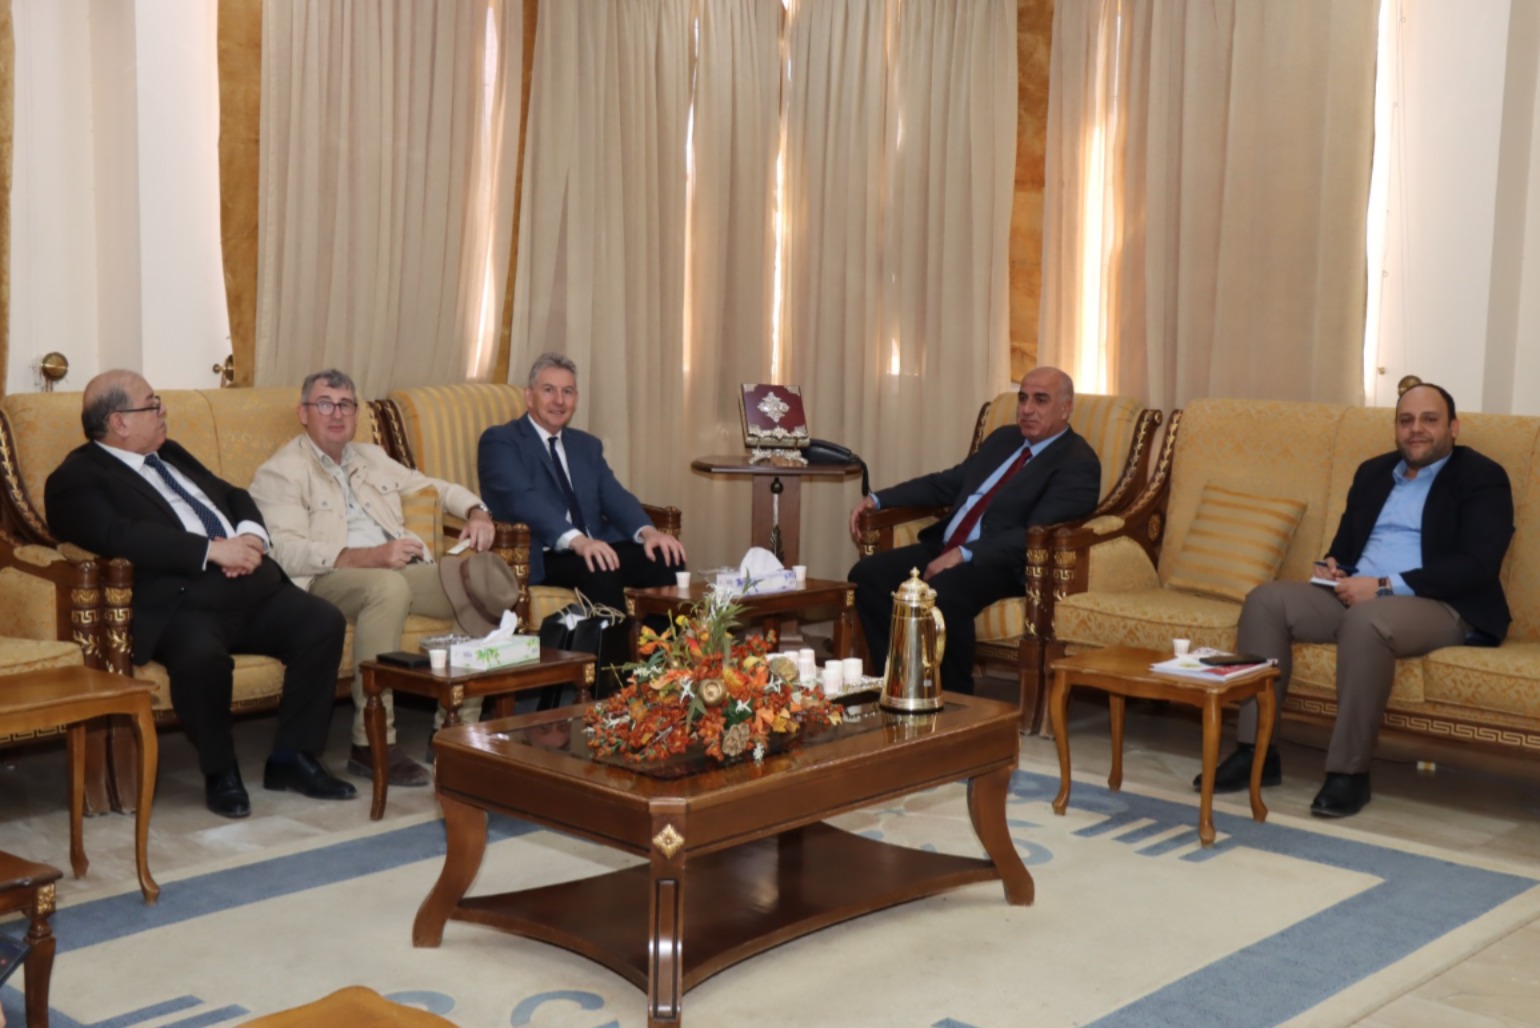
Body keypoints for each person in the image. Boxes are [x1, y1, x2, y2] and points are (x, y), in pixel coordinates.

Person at [45, 370, 355, 819]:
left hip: (253, 586)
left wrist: (250, 538)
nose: (163, 410)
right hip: (183, 602)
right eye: (152, 404)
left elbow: (231, 493)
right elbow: (120, 535)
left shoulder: (167, 452)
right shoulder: (76, 479)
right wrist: (210, 551)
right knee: (200, 658)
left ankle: (294, 758)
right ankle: (220, 770)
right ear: (119, 422)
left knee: (321, 622)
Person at [1209, 383, 1514, 818]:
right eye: (1406, 420)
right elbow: (1346, 546)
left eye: (1429, 419)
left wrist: (1385, 586)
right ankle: (1256, 752)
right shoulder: (1374, 472)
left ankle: (1349, 773)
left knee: (1366, 621)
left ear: (1454, 427)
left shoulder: (1482, 476)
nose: (1416, 429)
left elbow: (1477, 563)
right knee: (1264, 601)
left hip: (1441, 604)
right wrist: (1332, 566)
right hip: (1360, 592)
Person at [250, 369, 504, 787]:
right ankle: (371, 742)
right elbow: (285, 552)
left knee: (484, 578)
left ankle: (454, 728)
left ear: (357, 413)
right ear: (303, 413)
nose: (336, 414)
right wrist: (370, 557)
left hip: (397, 569)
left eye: (346, 405)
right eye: (325, 404)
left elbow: (435, 488)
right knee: (387, 587)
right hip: (327, 578)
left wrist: (477, 511)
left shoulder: (371, 457)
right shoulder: (282, 472)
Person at [847, 367, 1101, 694]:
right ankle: (902, 682)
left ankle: (956, 699)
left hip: (1004, 563)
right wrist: (879, 499)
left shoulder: (1077, 462)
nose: (1027, 409)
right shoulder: (1004, 439)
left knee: (944, 591)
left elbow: (1036, 534)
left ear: (1066, 408)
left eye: (1040, 400)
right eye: (1023, 398)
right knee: (868, 575)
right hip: (948, 546)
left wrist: (965, 554)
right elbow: (948, 483)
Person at [477, 351, 686, 617]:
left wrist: (649, 532)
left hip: (594, 545)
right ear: (529, 396)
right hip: (545, 553)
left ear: (575, 399)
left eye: (567, 392)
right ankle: (614, 647)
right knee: (599, 566)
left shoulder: (586, 445)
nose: (559, 400)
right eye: (549, 390)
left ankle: (657, 645)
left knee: (666, 557)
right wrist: (578, 541)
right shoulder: (501, 441)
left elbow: (614, 495)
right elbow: (523, 500)